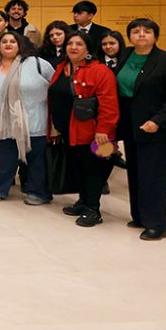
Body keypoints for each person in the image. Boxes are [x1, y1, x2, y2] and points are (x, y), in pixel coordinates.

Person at [117, 19, 166, 241]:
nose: (141, 35)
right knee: (135, 172)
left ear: (155, 35)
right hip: (129, 124)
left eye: (147, 31)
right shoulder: (126, 56)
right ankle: (139, 216)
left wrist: (158, 121)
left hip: (155, 127)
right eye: (136, 31)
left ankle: (157, 224)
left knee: (153, 177)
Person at [47, 31, 119, 227]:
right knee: (78, 167)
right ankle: (83, 201)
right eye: (70, 43)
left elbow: (109, 104)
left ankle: (93, 209)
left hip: (96, 133)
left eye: (79, 44)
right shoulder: (62, 68)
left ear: (88, 49)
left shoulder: (101, 71)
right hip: (68, 130)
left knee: (94, 170)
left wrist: (104, 130)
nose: (73, 47)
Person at [0, 30, 55, 203]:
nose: (8, 44)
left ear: (20, 45)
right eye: (4, 41)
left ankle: (38, 193)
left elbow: (55, 86)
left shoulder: (37, 63)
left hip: (35, 121)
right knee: (4, 158)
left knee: (37, 161)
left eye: (13, 41)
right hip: (4, 124)